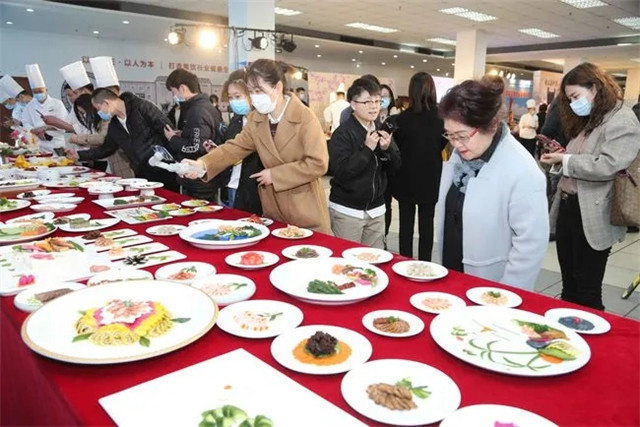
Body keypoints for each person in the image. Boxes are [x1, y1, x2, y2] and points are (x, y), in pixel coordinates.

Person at [180, 59, 330, 232]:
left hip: (304, 207)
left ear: (278, 88)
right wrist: (203, 164)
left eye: (259, 90)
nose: (255, 97)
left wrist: (275, 175)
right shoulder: (256, 118)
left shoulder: (305, 117)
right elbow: (235, 147)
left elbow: (318, 163)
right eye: (251, 91)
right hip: (273, 208)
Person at [540, 62, 640, 310]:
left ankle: (593, 341)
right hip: (568, 207)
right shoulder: (591, 119)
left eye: (576, 96)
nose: (574, 103)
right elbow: (580, 157)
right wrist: (560, 156)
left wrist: (567, 160)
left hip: (594, 212)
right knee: (569, 285)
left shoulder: (622, 119)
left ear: (594, 88)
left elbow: (610, 165)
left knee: (587, 289)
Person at [436, 78, 549, 290]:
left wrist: (506, 293)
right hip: (453, 270)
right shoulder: (463, 153)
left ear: (492, 125)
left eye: (461, 136)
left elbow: (530, 243)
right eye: (450, 136)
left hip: (493, 285)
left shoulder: (522, 170)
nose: (456, 144)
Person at [327, 78, 401, 248]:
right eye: (367, 102)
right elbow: (341, 172)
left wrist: (388, 148)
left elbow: (395, 168)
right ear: (353, 104)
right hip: (348, 211)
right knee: (347, 262)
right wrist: (367, 149)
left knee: (374, 262)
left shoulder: (381, 129)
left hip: (377, 211)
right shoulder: (342, 134)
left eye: (377, 101)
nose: (374, 106)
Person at [68, 88, 178, 191]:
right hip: (141, 173)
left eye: (98, 109)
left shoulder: (141, 107)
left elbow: (168, 131)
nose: (99, 113)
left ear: (107, 102)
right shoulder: (114, 125)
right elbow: (106, 148)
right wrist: (79, 155)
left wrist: (175, 160)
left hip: (163, 168)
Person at [391, 72, 446, 260]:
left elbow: (396, 147)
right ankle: (425, 264)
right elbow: (442, 144)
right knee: (427, 224)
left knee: (405, 225)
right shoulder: (442, 119)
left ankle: (404, 262)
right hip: (430, 176)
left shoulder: (401, 119)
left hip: (405, 177)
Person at [164, 68, 221, 200]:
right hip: (203, 177)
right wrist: (183, 134)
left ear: (183, 88)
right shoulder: (204, 106)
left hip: (198, 180)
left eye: (173, 91)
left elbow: (197, 146)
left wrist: (172, 138)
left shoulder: (197, 111)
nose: (174, 96)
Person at [214, 69, 264, 214]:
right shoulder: (235, 120)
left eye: (238, 96)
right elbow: (230, 147)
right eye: (230, 97)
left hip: (252, 189)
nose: (234, 101)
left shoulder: (262, 121)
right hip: (230, 183)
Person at [68, 94, 134, 177]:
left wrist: (78, 139)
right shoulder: (97, 121)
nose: (84, 116)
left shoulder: (108, 119)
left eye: (83, 112)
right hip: (109, 159)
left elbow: (102, 139)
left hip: (122, 160)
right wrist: (79, 154)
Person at [21, 64, 68, 153]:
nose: (38, 94)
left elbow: (63, 123)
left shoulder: (57, 103)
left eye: (40, 91)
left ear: (46, 90)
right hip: (38, 143)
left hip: (56, 143)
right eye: (35, 92)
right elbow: (25, 122)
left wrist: (44, 128)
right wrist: (34, 130)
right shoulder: (29, 106)